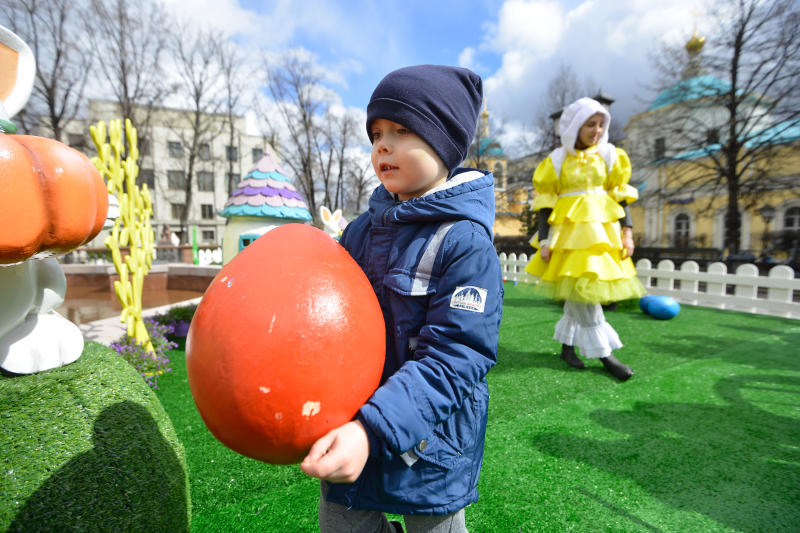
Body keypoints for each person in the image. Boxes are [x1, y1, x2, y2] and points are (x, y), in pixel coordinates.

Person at [300, 65, 503, 532]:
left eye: (402, 129)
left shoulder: (465, 244)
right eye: (376, 133)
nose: (382, 145)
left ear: (444, 143)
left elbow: (457, 356)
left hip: (431, 445)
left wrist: (372, 432)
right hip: (351, 426)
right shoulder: (359, 232)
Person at [524, 97, 646, 381]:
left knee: (581, 292)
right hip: (566, 237)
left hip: (602, 236)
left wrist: (627, 232)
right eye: (591, 124)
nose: (597, 129)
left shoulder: (610, 156)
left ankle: (568, 349)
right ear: (576, 125)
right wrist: (544, 241)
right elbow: (545, 205)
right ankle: (605, 355)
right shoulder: (556, 161)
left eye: (601, 124)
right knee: (583, 293)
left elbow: (621, 197)